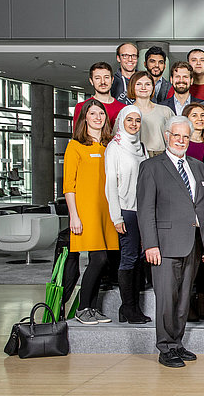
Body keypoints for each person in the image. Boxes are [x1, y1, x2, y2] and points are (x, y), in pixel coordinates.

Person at [136, 115, 204, 368]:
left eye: (185, 136)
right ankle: (165, 346)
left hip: (193, 242)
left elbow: (202, 207)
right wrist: (150, 244)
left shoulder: (198, 166)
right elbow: (145, 209)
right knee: (166, 298)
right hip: (165, 244)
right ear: (167, 136)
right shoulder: (152, 167)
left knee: (183, 299)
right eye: (176, 135)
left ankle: (177, 343)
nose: (181, 140)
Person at [66, 99, 119, 326]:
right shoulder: (75, 146)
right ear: (84, 117)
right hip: (86, 212)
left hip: (107, 211)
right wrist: (74, 216)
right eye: (93, 113)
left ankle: (93, 307)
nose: (98, 117)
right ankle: (82, 307)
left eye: (101, 114)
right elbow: (69, 186)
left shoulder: (110, 146)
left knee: (104, 261)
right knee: (98, 258)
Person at [105, 105, 151, 324]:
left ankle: (132, 308)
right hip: (126, 210)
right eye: (129, 120)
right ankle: (128, 308)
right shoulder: (115, 147)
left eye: (137, 120)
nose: (133, 124)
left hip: (142, 210)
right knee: (129, 257)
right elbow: (110, 185)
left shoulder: (141, 147)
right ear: (121, 121)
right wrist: (117, 217)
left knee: (141, 258)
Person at [128, 71, 174, 157]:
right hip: (136, 156)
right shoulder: (126, 112)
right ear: (132, 86)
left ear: (153, 87)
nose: (143, 88)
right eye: (138, 84)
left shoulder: (165, 111)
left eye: (147, 84)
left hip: (161, 157)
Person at [73, 62, 125, 127]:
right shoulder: (81, 107)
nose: (103, 82)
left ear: (112, 80)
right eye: (97, 78)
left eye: (106, 77)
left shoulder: (124, 109)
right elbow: (77, 135)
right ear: (91, 81)